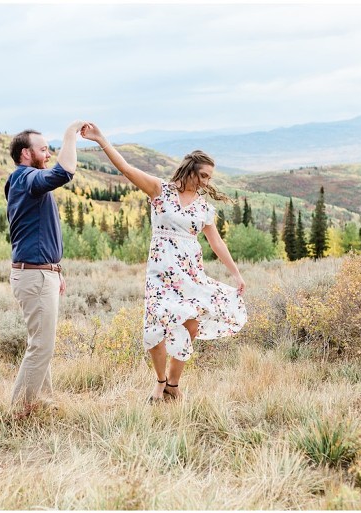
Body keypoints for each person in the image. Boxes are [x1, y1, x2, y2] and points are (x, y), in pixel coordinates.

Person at [81, 123, 247, 401]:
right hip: (160, 273)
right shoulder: (160, 190)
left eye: (210, 177)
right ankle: (159, 381)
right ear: (190, 169)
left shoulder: (204, 207)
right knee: (156, 330)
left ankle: (173, 384)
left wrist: (237, 275)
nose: (207, 182)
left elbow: (216, 243)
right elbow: (126, 169)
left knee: (190, 325)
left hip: (191, 273)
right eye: (203, 175)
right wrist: (101, 140)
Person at [6, 120, 87, 407]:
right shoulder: (25, 178)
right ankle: (18, 412)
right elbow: (64, 173)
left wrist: (55, 269)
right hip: (35, 276)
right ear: (25, 154)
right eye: (43, 149)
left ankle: (42, 403)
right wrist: (70, 136)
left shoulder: (24, 182)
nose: (48, 152)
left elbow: (37, 232)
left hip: (41, 272)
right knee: (42, 346)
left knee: (40, 343)